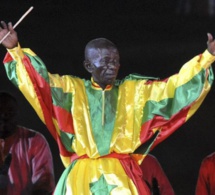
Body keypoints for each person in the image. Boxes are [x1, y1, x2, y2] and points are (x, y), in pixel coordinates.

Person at [0, 21, 215, 194]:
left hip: (121, 177)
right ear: (88, 65)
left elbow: (174, 89)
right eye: (104, 60)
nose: (111, 65)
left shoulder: (135, 92)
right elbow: (39, 83)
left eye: (115, 60)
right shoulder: (71, 90)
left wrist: (207, 58)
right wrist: (15, 50)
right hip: (80, 180)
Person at [0, 91, 55, 194]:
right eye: (0, 113)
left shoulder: (35, 141)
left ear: (17, 115)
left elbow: (44, 185)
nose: (4, 117)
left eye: (9, 113)